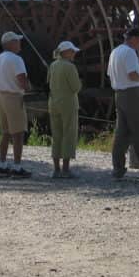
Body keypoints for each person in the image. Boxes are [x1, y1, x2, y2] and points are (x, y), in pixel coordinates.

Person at [106, 26, 139, 180]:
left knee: (121, 133)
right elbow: (133, 75)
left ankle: (118, 169)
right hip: (132, 94)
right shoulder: (129, 52)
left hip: (119, 95)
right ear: (134, 38)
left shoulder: (115, 52)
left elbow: (109, 74)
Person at [0, 31, 32, 178]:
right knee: (18, 133)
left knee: (5, 132)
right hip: (13, 97)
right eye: (18, 41)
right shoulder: (16, 59)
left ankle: (2, 165)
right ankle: (17, 167)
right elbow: (21, 79)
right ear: (12, 43)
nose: (20, 44)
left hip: (0, 96)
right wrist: (29, 87)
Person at [47, 40, 82, 179]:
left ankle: (56, 169)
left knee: (56, 135)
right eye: (72, 51)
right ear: (66, 52)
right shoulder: (70, 67)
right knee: (68, 133)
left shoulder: (53, 65)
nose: (74, 53)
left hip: (53, 102)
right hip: (68, 104)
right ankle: (66, 169)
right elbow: (76, 87)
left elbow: (48, 82)